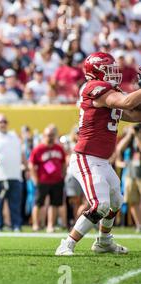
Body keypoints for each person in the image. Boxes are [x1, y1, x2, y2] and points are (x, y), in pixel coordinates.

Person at [56, 52, 141, 256]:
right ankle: (66, 244)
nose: (113, 73)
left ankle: (104, 242)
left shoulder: (108, 92)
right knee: (100, 205)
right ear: (97, 71)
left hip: (101, 159)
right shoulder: (94, 87)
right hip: (86, 157)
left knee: (115, 202)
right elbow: (128, 103)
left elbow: (134, 114)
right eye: (109, 69)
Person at [29, 125, 66, 232]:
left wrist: (62, 174)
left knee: (54, 204)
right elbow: (31, 164)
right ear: (44, 135)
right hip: (42, 180)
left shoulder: (59, 148)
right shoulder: (38, 149)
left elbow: (63, 162)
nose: (50, 137)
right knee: (38, 203)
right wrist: (35, 178)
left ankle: (50, 225)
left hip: (56, 181)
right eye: (48, 135)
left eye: (52, 135)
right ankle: (36, 224)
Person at [116, 124, 141, 232]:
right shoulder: (129, 141)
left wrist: (137, 136)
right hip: (130, 174)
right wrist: (129, 135)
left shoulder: (138, 139)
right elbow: (119, 148)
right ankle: (139, 225)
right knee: (132, 200)